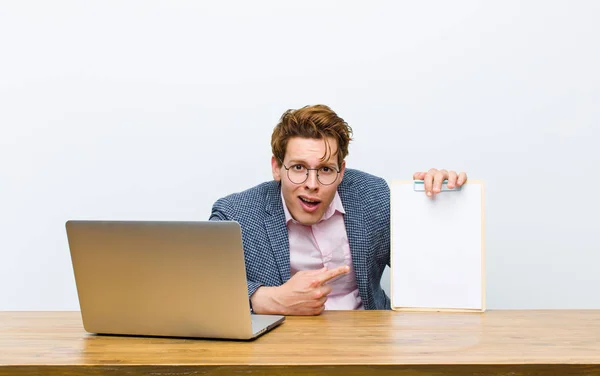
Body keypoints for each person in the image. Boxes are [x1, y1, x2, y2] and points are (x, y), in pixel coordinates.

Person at [209, 104, 467, 315]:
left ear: (341, 171)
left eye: (325, 169)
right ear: (277, 167)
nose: (312, 184)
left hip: (368, 345)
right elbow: (203, 286)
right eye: (298, 167)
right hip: (282, 351)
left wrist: (438, 203)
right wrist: (269, 299)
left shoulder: (372, 195)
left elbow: (427, 265)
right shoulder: (236, 214)